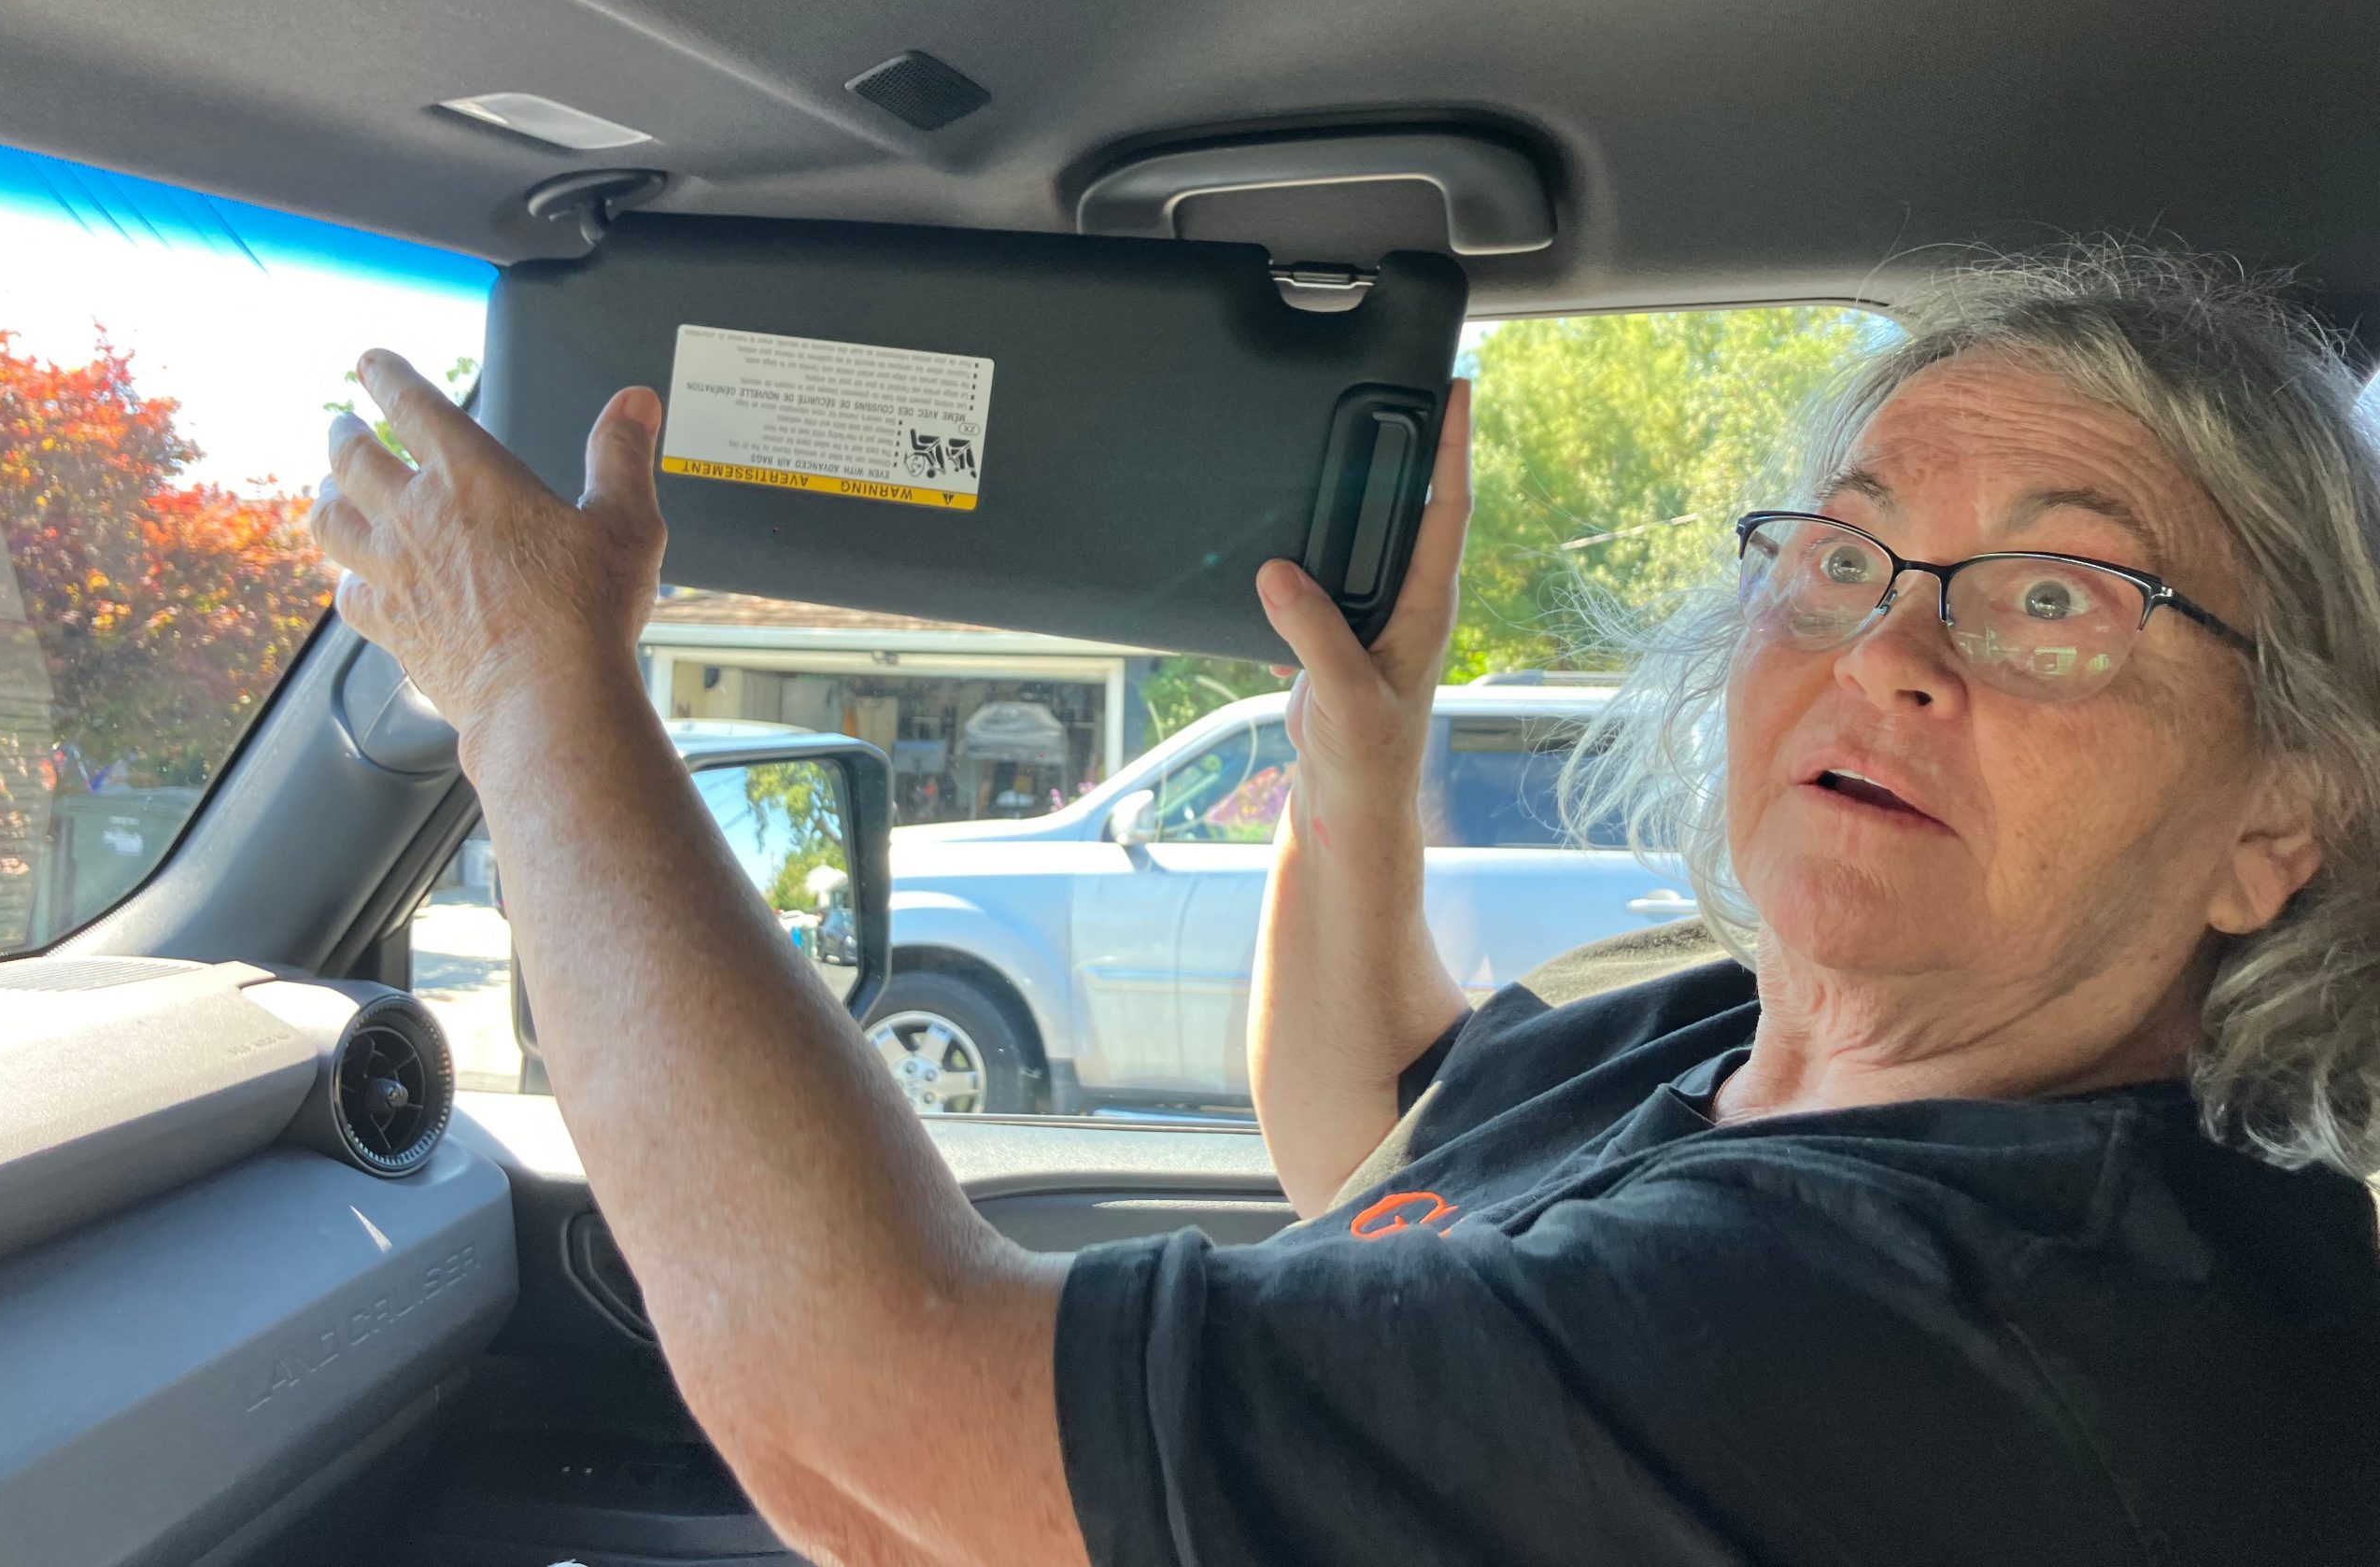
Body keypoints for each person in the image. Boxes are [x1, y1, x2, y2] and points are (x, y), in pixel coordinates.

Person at [313, 243, 2380, 1565]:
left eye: (2054, 601)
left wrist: (532, 691)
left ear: (2273, 819)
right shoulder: (1755, 1047)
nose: (1889, 653)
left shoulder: (1960, 1328)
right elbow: (1372, 1141)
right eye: (1841, 559)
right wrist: (1359, 746)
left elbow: (874, 1428)